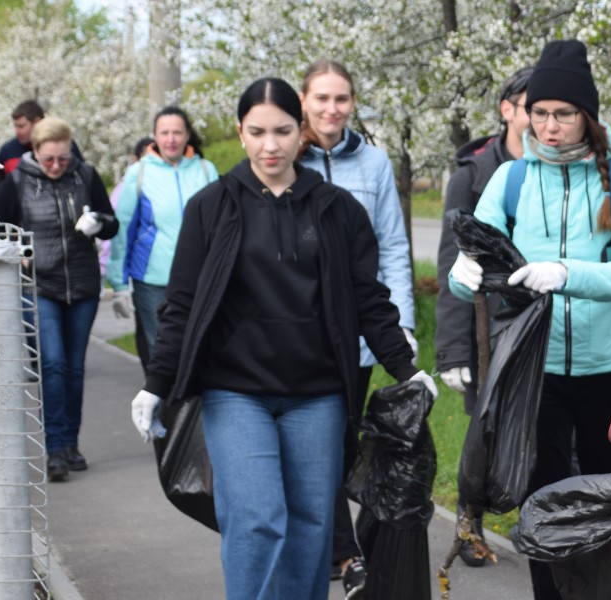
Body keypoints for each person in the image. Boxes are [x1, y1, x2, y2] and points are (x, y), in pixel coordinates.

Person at [128, 77, 437, 600]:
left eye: (282, 131)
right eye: (257, 132)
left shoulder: (338, 210)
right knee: (255, 519)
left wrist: (406, 369)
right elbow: (181, 304)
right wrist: (156, 383)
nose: (270, 145)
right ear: (240, 133)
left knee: (312, 526)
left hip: (317, 395)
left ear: (302, 132)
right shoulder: (212, 206)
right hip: (235, 392)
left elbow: (369, 300)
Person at [447, 39, 611, 599]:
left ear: (587, 115)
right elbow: (475, 254)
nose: (550, 125)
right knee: (542, 500)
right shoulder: (511, 179)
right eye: (539, 113)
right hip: (533, 371)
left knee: (608, 500)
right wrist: (464, 273)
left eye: (563, 113)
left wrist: (566, 272)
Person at [298, 59, 417, 596]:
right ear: (303, 101)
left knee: (345, 449)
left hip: (362, 339)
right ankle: (341, 555)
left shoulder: (372, 164)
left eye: (341, 99)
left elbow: (392, 246)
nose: (331, 109)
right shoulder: (284, 160)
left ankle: (335, 548)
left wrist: (403, 328)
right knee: (321, 444)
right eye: (321, 98)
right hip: (302, 339)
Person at [434, 65, 532, 568]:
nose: (542, 117)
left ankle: (535, 521)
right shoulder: (473, 175)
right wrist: (452, 349)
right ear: (507, 110)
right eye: (531, 105)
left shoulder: (556, 170)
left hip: (534, 329)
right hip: (484, 331)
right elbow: (454, 259)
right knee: (483, 435)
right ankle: (470, 528)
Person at [0, 117, 118, 482]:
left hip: (83, 285)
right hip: (40, 286)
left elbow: (112, 223)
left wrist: (98, 222)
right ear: (36, 153)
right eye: (49, 160)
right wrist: (17, 248)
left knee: (74, 369)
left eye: (62, 158)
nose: (57, 166)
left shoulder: (85, 176)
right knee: (53, 364)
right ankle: (55, 449)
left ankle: (71, 444)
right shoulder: (18, 181)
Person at [107, 108, 218, 374]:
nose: (171, 139)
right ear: (155, 136)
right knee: (161, 353)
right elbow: (122, 230)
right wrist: (119, 283)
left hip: (198, 278)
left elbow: (220, 227)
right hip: (152, 280)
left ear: (187, 135)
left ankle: (194, 414)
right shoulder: (139, 172)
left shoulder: (205, 169)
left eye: (177, 132)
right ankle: (163, 413)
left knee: (199, 349)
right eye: (164, 133)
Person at [98, 137, 152, 291]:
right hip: (135, 272)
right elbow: (115, 232)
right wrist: (106, 268)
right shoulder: (123, 191)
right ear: (135, 160)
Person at [0, 100, 83, 174]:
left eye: (21, 126)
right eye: (15, 126)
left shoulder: (64, 146)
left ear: (37, 122)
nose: (17, 131)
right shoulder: (7, 151)